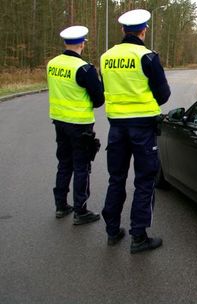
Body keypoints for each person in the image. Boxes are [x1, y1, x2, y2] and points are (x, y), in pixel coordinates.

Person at [100, 9, 170, 253]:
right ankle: (138, 237)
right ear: (144, 30)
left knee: (116, 178)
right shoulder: (147, 57)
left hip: (116, 127)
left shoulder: (105, 57)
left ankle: (112, 231)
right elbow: (163, 94)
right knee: (144, 180)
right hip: (142, 128)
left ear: (122, 30)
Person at [47, 25, 104, 225]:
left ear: (65, 43)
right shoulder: (85, 69)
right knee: (82, 166)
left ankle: (61, 205)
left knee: (64, 163)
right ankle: (81, 210)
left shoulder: (52, 64)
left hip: (59, 121)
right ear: (82, 43)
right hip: (80, 124)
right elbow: (98, 100)